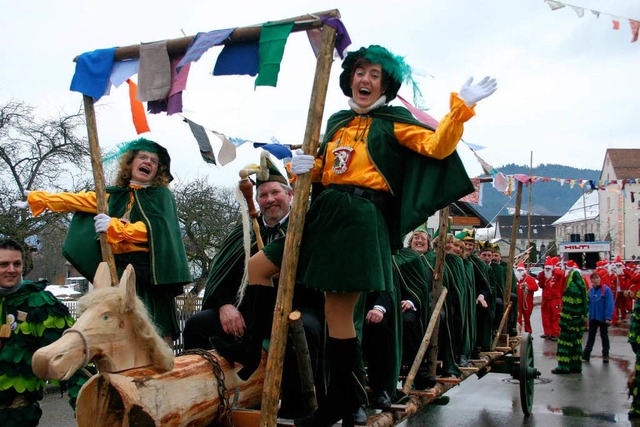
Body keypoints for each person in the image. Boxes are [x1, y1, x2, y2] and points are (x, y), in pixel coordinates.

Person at [215, 44, 497, 426]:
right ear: (351, 79)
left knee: (338, 314)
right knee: (259, 266)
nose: (365, 79)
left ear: (385, 86)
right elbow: (326, 169)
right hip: (324, 210)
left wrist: (460, 109)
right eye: (361, 72)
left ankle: (341, 400)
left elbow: (437, 146)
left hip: (361, 217)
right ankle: (253, 349)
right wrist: (306, 168)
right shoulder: (336, 121)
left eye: (375, 75)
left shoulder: (393, 121)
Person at [183, 154, 324, 419]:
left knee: (306, 329)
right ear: (256, 200)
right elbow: (223, 276)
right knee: (198, 325)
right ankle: (205, 399)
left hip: (295, 309)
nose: (269, 199)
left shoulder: (305, 229)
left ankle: (295, 409)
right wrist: (225, 305)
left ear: (290, 194)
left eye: (275, 193)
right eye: (263, 195)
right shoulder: (245, 231)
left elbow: (320, 275)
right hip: (247, 313)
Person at [13, 138, 191, 346]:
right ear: (130, 163)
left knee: (157, 332)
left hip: (149, 275)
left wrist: (115, 226)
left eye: (153, 160)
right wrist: (41, 199)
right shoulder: (113, 196)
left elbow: (155, 233)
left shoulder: (161, 196)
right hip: (119, 271)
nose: (148, 162)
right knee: (120, 333)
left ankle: (162, 374)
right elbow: (77, 200)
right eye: (143, 157)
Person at [0, 238, 87, 426]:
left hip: (17, 416)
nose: (11, 270)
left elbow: (69, 357)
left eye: (17, 264)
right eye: (4, 264)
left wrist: (86, 406)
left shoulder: (39, 304)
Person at [551, 269, 588, 375]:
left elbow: (568, 308)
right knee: (576, 344)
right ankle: (576, 366)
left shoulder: (571, 289)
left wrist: (563, 323)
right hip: (579, 322)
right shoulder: (582, 288)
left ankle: (563, 367)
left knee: (564, 344)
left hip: (571, 323)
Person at [582, 272, 613, 363]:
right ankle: (586, 355)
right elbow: (587, 303)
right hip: (593, 317)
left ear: (600, 279)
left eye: (597, 278)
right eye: (593, 278)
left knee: (604, 336)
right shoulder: (591, 291)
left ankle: (605, 355)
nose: (595, 280)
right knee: (591, 336)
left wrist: (608, 317)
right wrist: (585, 315)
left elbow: (609, 304)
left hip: (602, 318)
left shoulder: (606, 290)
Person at [537, 256, 565, 341]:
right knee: (546, 316)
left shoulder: (557, 274)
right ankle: (548, 333)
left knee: (555, 316)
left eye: (549, 268)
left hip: (555, 298)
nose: (547, 270)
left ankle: (556, 333)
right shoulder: (544, 275)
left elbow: (561, 275)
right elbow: (541, 285)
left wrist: (556, 269)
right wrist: (541, 275)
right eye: (546, 268)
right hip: (546, 298)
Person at [515, 262, 539, 334]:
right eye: (518, 270)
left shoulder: (529, 279)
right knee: (517, 317)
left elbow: (536, 287)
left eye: (521, 270)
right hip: (518, 301)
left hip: (527, 302)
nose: (519, 272)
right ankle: (518, 332)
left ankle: (528, 331)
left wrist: (527, 286)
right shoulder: (515, 279)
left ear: (524, 270)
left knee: (527, 317)